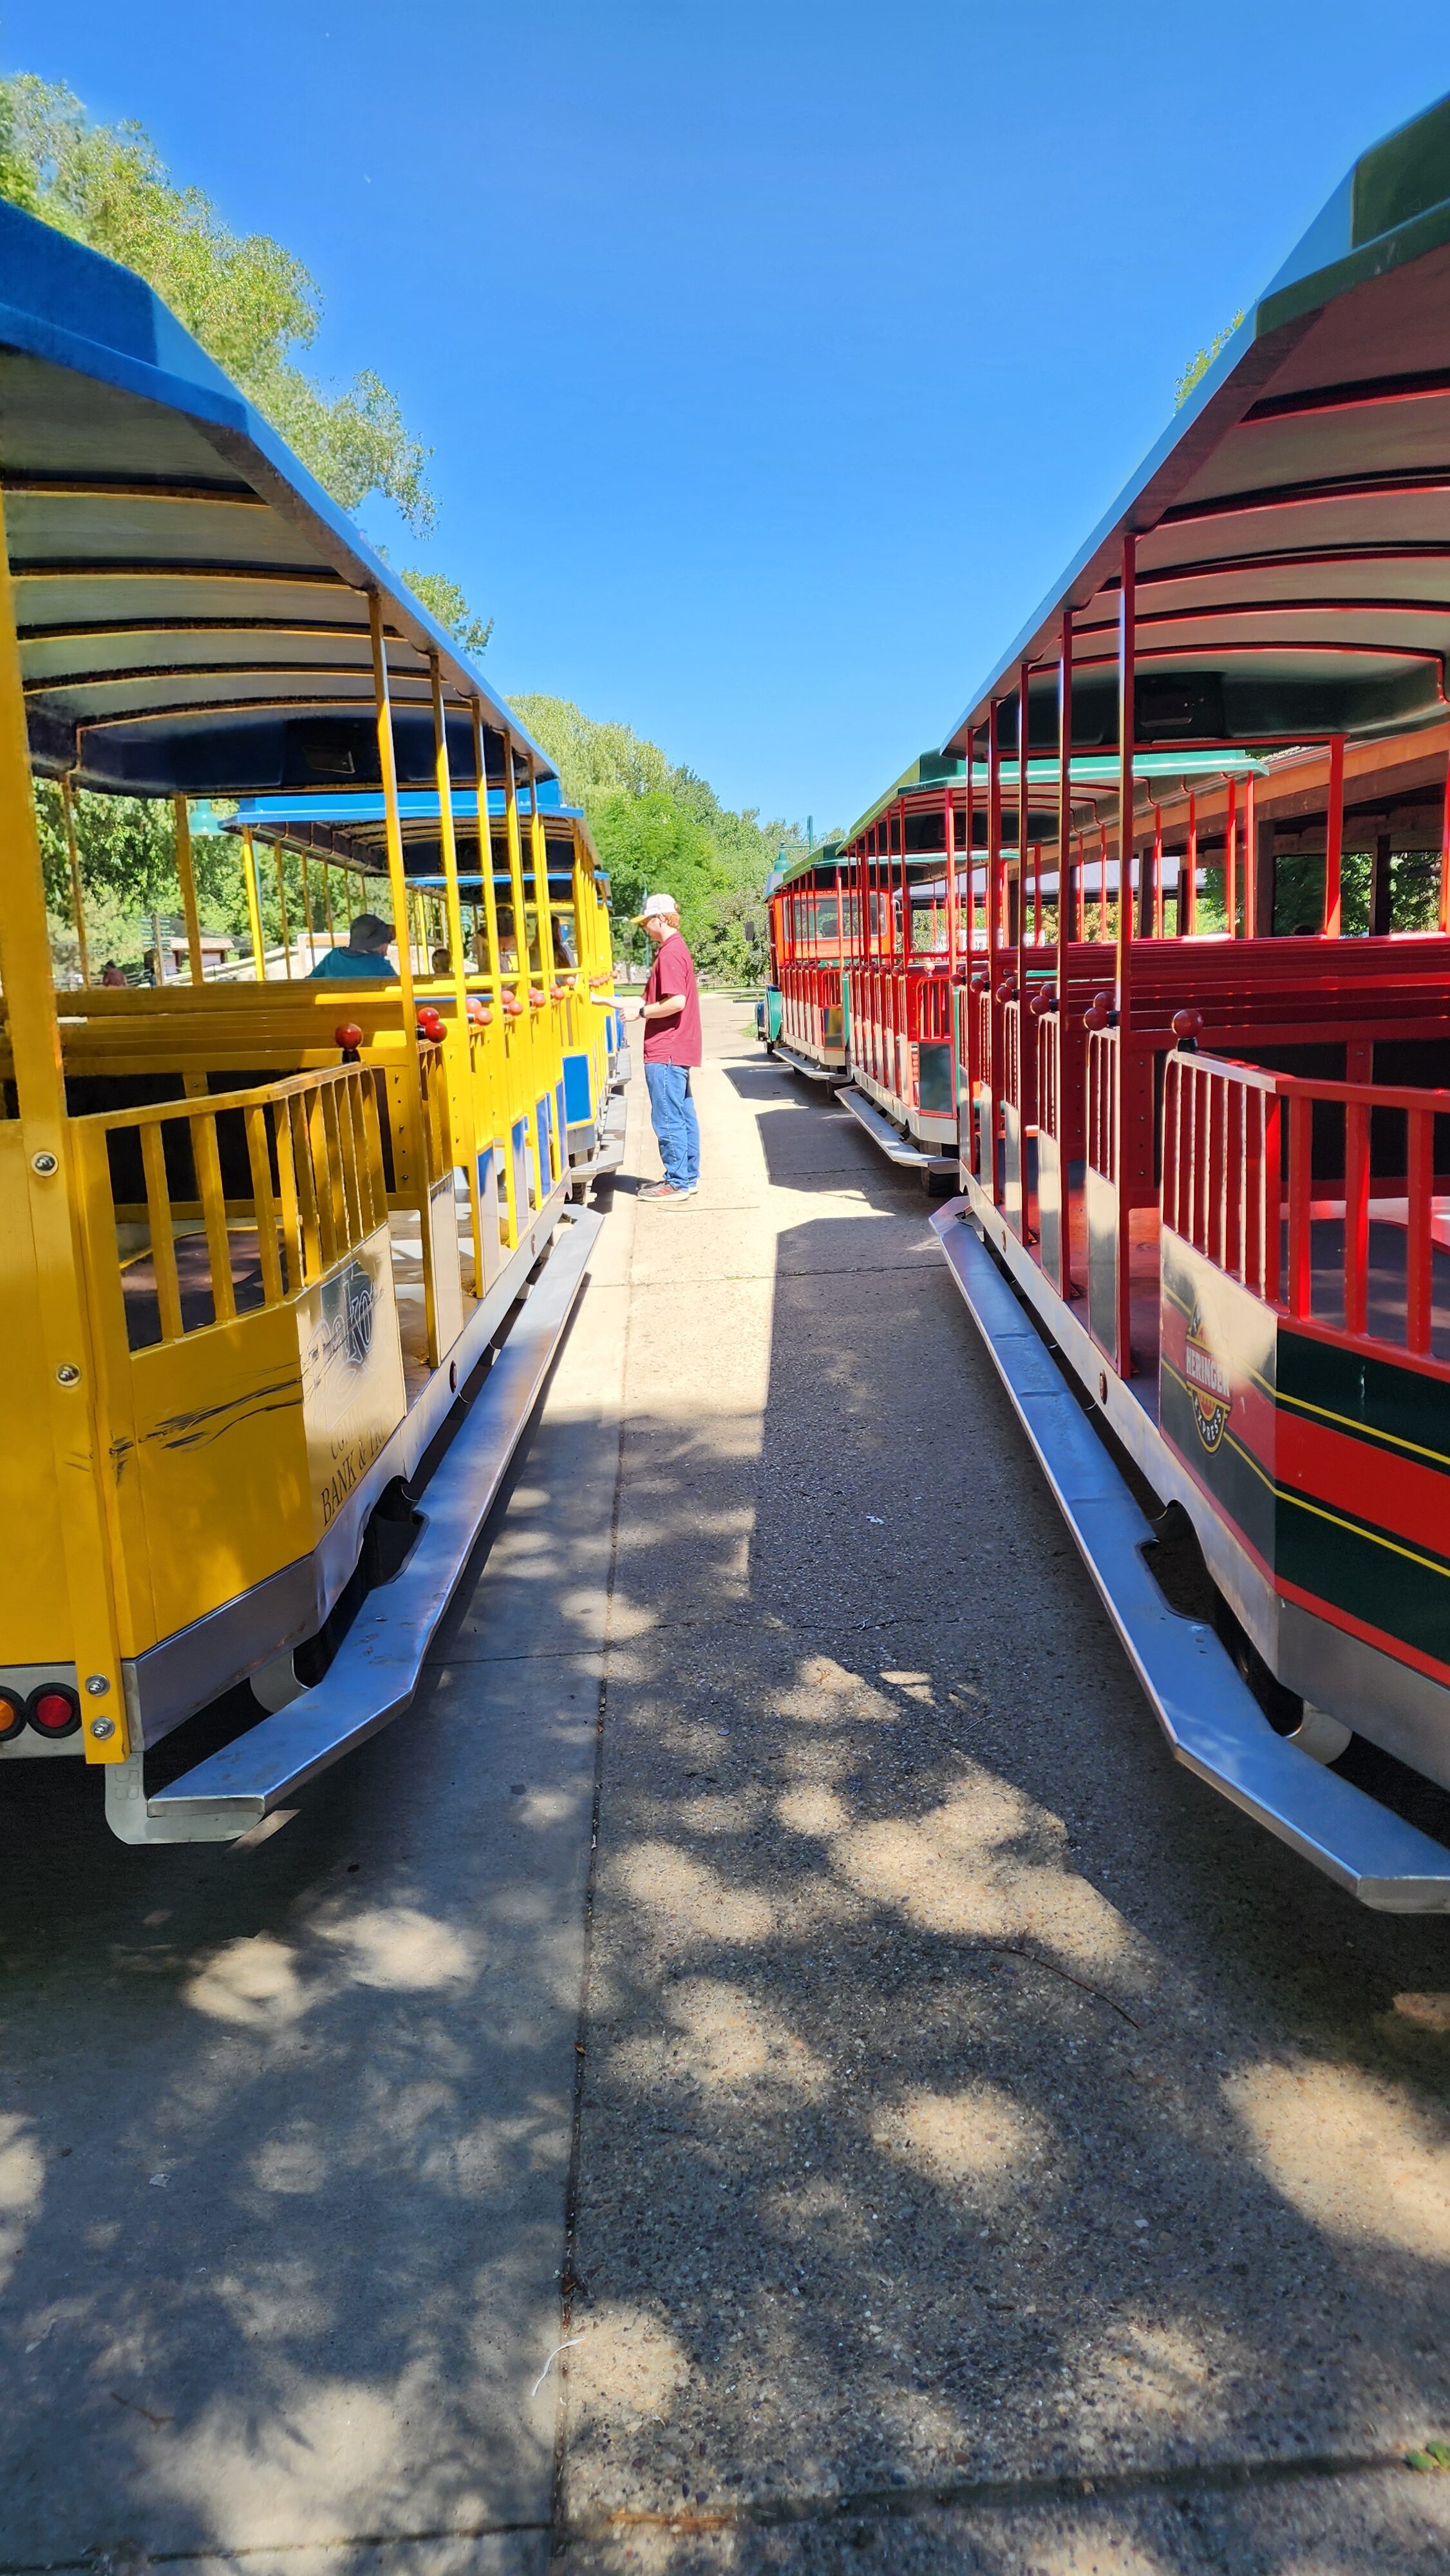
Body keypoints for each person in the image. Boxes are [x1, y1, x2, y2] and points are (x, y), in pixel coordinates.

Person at [634, 892, 701, 1203]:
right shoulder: (676, 949)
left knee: (668, 1116)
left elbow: (676, 1002)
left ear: (660, 918)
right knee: (683, 1113)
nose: (646, 928)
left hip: (666, 1049)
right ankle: (687, 1176)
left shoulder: (671, 953)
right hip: (677, 1047)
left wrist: (643, 1012)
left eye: (647, 921)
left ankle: (677, 1183)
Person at [308, 913, 398, 980]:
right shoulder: (381, 965)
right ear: (377, 942)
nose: (385, 952)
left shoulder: (333, 957)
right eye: (387, 941)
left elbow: (309, 982)